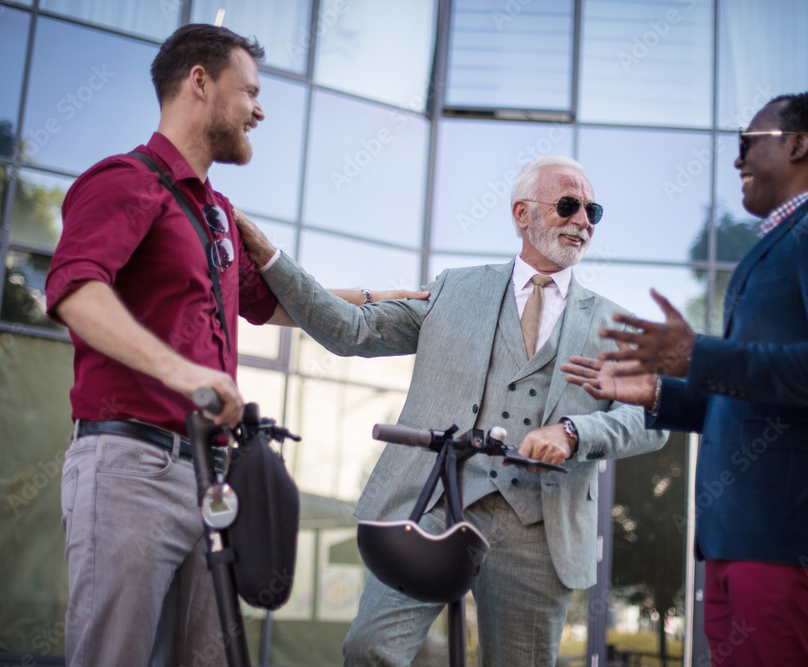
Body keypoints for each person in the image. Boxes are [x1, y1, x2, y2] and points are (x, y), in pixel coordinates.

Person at [46, 24, 423, 667]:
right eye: (249, 90)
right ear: (200, 82)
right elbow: (74, 290)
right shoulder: (124, 180)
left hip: (210, 480)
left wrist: (384, 301)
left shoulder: (219, 213)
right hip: (131, 466)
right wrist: (185, 374)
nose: (260, 108)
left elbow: (279, 303)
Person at [232, 155, 668, 666]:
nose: (583, 222)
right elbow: (352, 329)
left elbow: (654, 420)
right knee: (370, 649)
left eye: (593, 211)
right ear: (521, 214)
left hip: (540, 523)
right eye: (568, 206)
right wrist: (270, 258)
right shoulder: (456, 289)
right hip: (434, 500)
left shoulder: (615, 323)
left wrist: (576, 431)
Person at [562, 92, 808, 666]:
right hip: (739, 541)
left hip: (791, 540)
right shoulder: (776, 246)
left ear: (798, 145)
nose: (736, 160)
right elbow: (755, 397)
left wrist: (699, 356)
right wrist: (662, 391)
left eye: (746, 143)